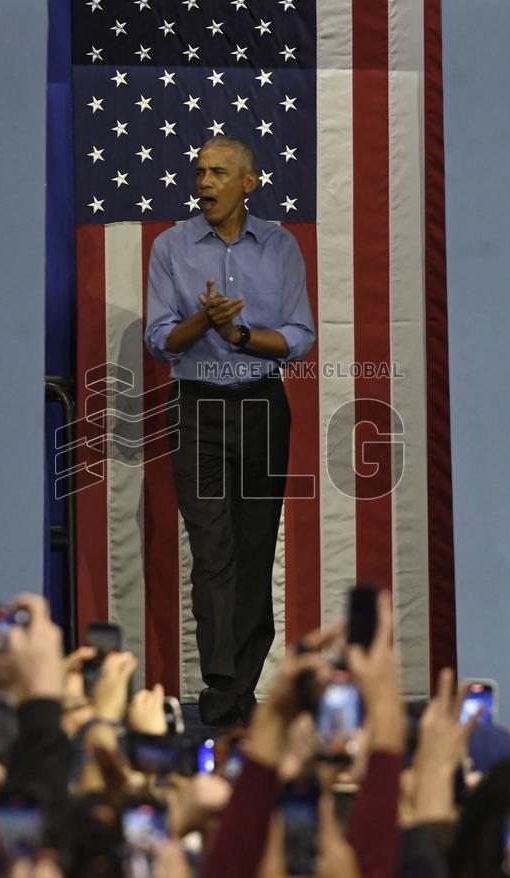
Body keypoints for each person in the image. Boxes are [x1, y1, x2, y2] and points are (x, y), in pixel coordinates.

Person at [144, 134, 315, 726]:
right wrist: (205, 321)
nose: (205, 183)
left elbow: (299, 337)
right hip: (196, 412)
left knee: (254, 548)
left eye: (218, 172)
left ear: (249, 182)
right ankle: (221, 686)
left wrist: (240, 336)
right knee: (211, 552)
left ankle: (243, 681)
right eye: (199, 172)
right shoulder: (170, 246)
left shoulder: (281, 246)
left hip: (263, 407)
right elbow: (160, 340)